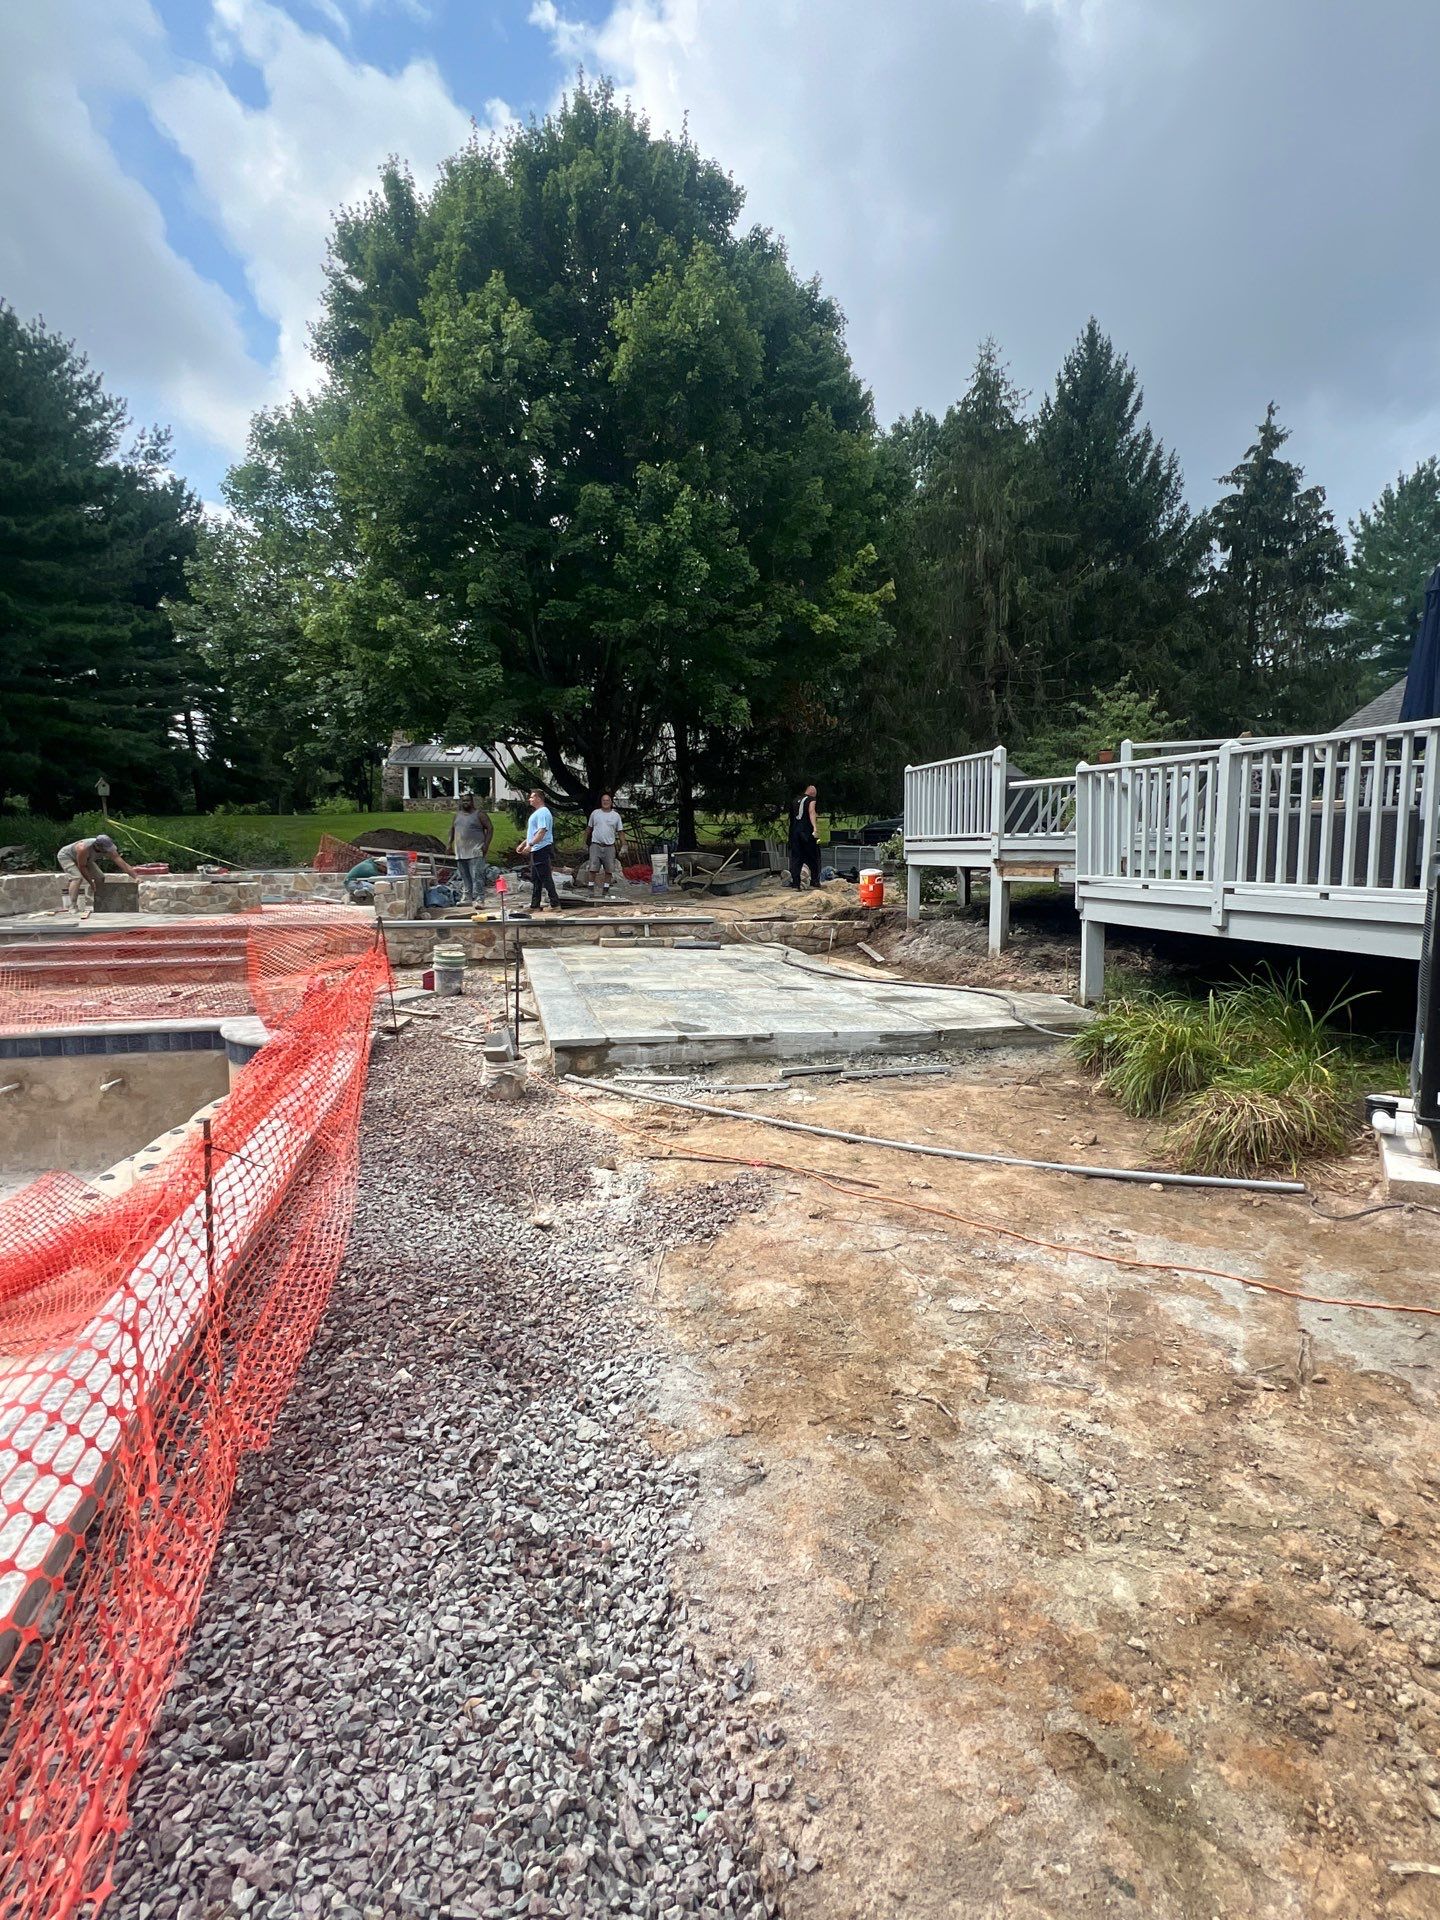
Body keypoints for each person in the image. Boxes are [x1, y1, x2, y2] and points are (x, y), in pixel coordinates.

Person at [56, 832, 137, 911]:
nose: (108, 851)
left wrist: (136, 877)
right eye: (105, 849)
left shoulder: (109, 849)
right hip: (67, 857)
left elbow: (123, 864)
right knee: (77, 877)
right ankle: (72, 906)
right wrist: (91, 883)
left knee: (100, 877)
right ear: (97, 846)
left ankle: (99, 902)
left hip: (86, 859)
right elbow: (82, 867)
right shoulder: (83, 848)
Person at [446, 789, 493, 905]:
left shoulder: (479, 814)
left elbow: (490, 828)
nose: (465, 803)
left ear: (472, 802)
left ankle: (479, 899)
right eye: (463, 801)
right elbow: (452, 829)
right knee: (464, 876)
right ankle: (467, 897)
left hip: (476, 850)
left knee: (477, 876)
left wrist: (486, 845)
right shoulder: (457, 815)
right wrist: (449, 844)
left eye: (467, 800)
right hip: (461, 851)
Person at [518, 788, 560, 911]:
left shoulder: (543, 812)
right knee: (536, 878)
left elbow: (542, 831)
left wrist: (530, 845)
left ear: (538, 798)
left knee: (545, 876)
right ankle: (535, 905)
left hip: (541, 848)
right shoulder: (538, 812)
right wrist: (524, 843)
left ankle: (555, 904)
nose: (529, 799)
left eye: (532, 797)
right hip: (536, 849)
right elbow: (534, 832)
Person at [585, 792, 626, 895]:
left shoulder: (616, 816)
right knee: (593, 868)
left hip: (609, 846)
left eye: (607, 800)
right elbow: (589, 828)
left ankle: (606, 889)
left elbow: (620, 831)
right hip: (596, 845)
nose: (605, 802)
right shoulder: (595, 813)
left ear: (611, 802)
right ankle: (590, 889)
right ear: (601, 802)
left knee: (609, 869)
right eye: (604, 800)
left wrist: (624, 845)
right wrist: (584, 843)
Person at [787, 783, 823, 890]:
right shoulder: (811, 799)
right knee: (814, 856)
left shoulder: (795, 800)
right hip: (806, 832)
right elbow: (811, 812)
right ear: (812, 793)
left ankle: (796, 883)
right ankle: (815, 881)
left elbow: (791, 818)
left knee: (796, 857)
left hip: (795, 832)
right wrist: (815, 828)